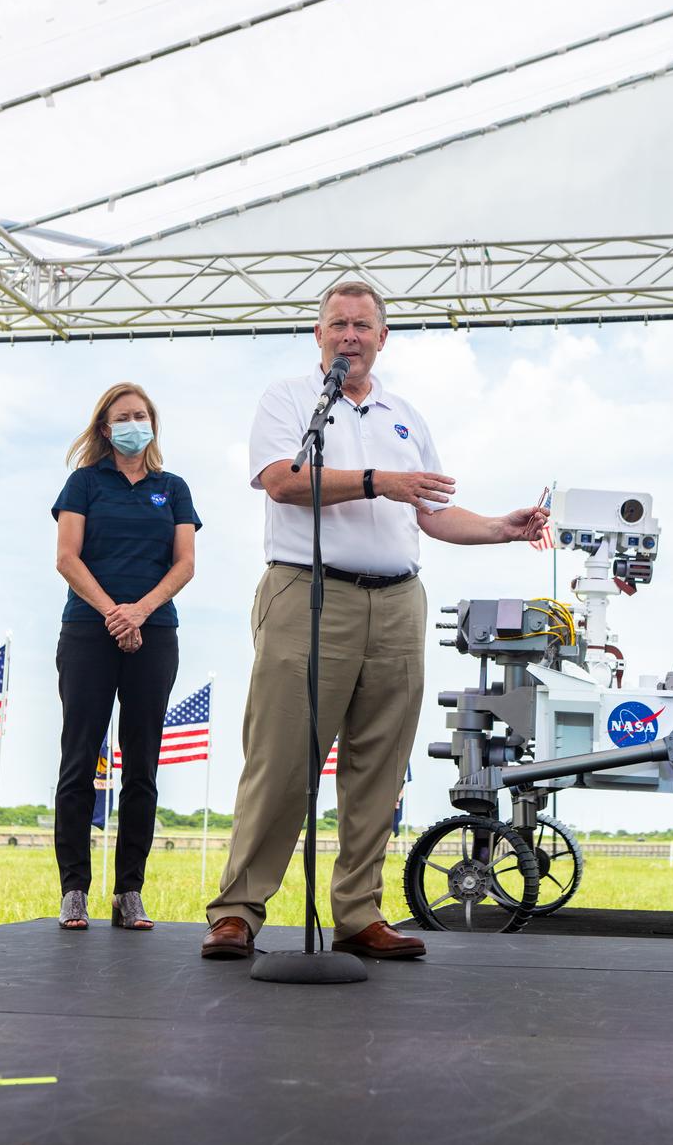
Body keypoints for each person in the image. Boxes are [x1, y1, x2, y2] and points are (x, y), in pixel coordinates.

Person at [201, 281, 547, 960]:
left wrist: (501, 529)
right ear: (317, 335)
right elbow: (281, 480)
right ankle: (238, 911)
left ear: (382, 337)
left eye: (362, 325)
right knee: (279, 761)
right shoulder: (289, 399)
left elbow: (433, 512)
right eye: (337, 324)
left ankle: (357, 913)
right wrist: (376, 481)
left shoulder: (405, 417)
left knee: (378, 766)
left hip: (395, 601)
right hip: (305, 592)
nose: (349, 335)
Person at [52, 382, 201, 930]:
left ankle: (128, 891)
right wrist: (114, 612)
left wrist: (139, 612)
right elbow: (67, 558)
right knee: (79, 760)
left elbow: (184, 564)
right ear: (105, 428)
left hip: (155, 634)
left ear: (153, 424)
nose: (133, 423)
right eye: (123, 417)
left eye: (141, 415)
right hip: (88, 633)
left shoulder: (173, 488)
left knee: (142, 765)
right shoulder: (84, 483)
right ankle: (74, 890)